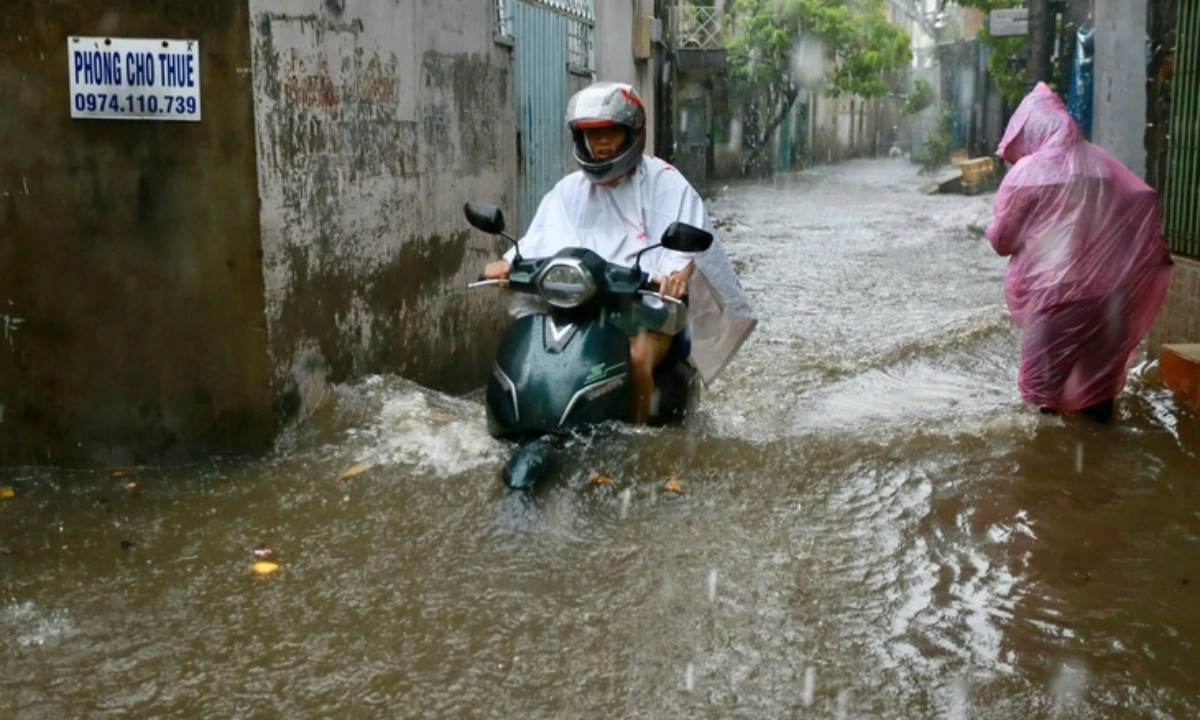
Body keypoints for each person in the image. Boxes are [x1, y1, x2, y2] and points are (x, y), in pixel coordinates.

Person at [482, 81, 754, 423]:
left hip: (646, 312)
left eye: (610, 132)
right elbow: (538, 240)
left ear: (632, 133)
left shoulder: (666, 182)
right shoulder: (568, 191)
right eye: (592, 134)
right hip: (581, 307)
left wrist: (674, 277)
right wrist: (505, 266)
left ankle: (636, 437)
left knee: (637, 359)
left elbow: (687, 247)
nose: (601, 143)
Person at [986, 82, 1174, 422]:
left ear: (1032, 130)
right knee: (1098, 394)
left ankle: (1049, 455)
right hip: (1109, 301)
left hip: (1053, 301)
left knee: (1042, 401)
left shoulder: (1028, 173)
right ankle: (1101, 452)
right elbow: (1138, 202)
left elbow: (1002, 241)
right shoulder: (1102, 166)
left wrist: (994, 223)